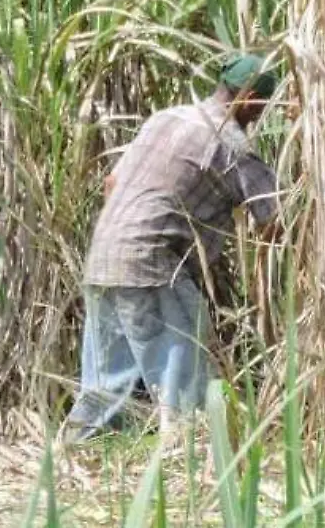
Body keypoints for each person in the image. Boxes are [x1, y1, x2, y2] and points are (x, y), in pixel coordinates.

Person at [62, 52, 284, 442]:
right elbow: (275, 217)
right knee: (185, 375)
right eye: (263, 105)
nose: (261, 114)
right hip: (154, 264)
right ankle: (193, 459)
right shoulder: (230, 145)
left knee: (105, 385)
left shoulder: (166, 118)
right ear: (249, 99)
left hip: (105, 255)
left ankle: (73, 455)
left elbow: (112, 184)